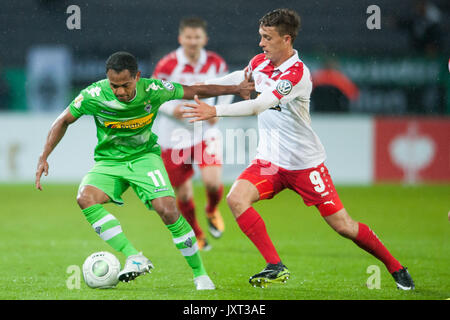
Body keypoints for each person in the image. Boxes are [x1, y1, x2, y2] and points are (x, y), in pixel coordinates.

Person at [182, 9, 415, 290]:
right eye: (260, 37)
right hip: (269, 161)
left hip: (306, 164)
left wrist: (214, 110)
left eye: (267, 38)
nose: (261, 43)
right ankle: (275, 266)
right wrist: (189, 88)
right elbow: (236, 79)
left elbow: (258, 104)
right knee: (236, 198)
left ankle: (395, 267)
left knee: (344, 226)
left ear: (286, 39)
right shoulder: (259, 62)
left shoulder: (296, 74)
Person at [34, 51, 253, 290]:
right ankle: (133, 256)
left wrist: (234, 90)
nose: (119, 91)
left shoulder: (154, 89)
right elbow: (63, 120)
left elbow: (192, 90)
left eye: (125, 85)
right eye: (114, 85)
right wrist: (44, 156)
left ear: (137, 77)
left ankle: (200, 275)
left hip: (144, 158)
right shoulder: (93, 95)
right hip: (109, 162)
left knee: (168, 210)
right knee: (85, 198)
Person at [152, 17, 232, 251]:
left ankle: (211, 209)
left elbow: (229, 88)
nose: (193, 41)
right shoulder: (167, 65)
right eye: (188, 37)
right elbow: (155, 95)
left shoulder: (216, 63)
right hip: (173, 136)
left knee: (212, 180)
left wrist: (220, 110)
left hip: (205, 131)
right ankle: (197, 233)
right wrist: (171, 109)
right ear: (181, 38)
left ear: (204, 39)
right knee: (184, 194)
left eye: (197, 37)